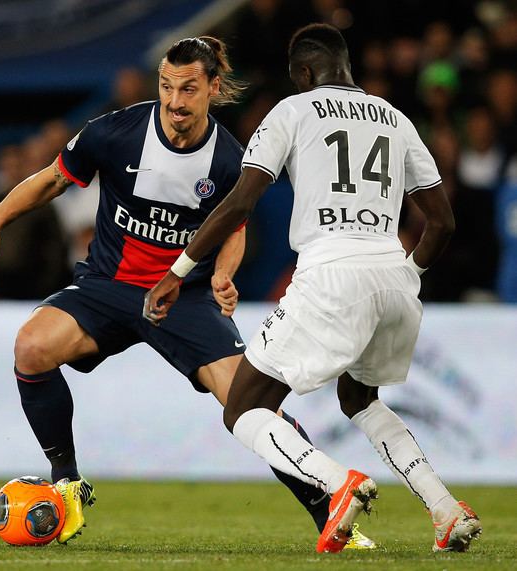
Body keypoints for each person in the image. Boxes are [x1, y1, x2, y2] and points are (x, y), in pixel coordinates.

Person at [0, 36, 374, 549]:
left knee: (248, 404)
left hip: (187, 298)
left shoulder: (229, 159)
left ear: (212, 89)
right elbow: (51, 181)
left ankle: (330, 513)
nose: (175, 101)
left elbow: (235, 226)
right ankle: (66, 482)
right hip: (108, 285)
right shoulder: (115, 132)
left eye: (188, 88)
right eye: (166, 87)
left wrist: (224, 274)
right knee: (31, 348)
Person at [145, 24, 483, 554]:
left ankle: (334, 480)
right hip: (395, 273)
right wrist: (406, 275)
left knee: (243, 407)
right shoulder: (395, 118)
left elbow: (239, 203)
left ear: (303, 74)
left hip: (331, 273)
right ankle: (444, 510)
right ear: (344, 66)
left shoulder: (293, 111)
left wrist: (177, 271)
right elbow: (441, 223)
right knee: (360, 398)